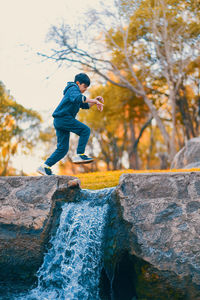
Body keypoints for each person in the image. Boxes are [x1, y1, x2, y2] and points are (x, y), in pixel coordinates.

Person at [37, 73, 104, 175]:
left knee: (63, 149)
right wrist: (93, 100)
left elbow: (85, 105)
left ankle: (45, 166)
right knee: (85, 130)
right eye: (84, 87)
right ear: (78, 83)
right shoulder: (72, 88)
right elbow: (79, 98)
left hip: (60, 121)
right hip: (63, 118)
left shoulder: (75, 92)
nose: (85, 89)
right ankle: (80, 154)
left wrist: (95, 101)